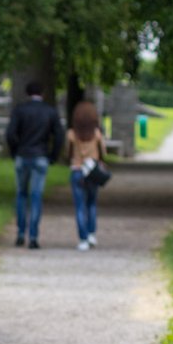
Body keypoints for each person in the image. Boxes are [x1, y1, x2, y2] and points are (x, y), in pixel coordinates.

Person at [4, 80, 64, 249]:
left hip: (22, 156)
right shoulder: (49, 111)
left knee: (21, 194)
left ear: (27, 93)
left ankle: (20, 233)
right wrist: (53, 156)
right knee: (36, 196)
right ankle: (33, 236)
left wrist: (15, 151)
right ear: (42, 93)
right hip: (40, 156)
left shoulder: (20, 110)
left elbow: (10, 133)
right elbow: (59, 136)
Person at [66, 100, 106, 250]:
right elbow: (103, 153)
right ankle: (91, 234)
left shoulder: (71, 134)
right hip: (92, 171)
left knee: (79, 206)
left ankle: (82, 239)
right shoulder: (96, 133)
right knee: (92, 203)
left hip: (77, 171)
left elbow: (67, 153)